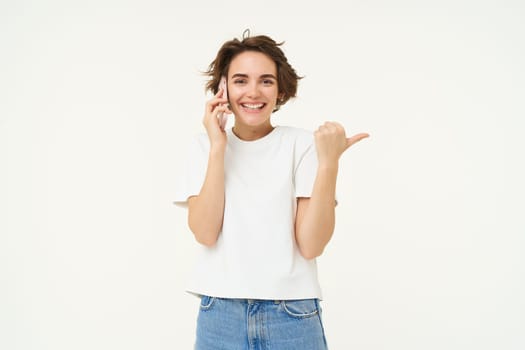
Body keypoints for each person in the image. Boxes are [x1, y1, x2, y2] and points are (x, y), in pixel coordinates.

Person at [174, 30, 369, 350]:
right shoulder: (204, 147)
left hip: (291, 313)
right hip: (220, 313)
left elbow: (311, 245)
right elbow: (205, 232)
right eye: (240, 80)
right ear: (222, 89)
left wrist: (328, 164)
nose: (253, 91)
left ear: (280, 91)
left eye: (266, 80)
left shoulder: (304, 145)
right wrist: (218, 148)